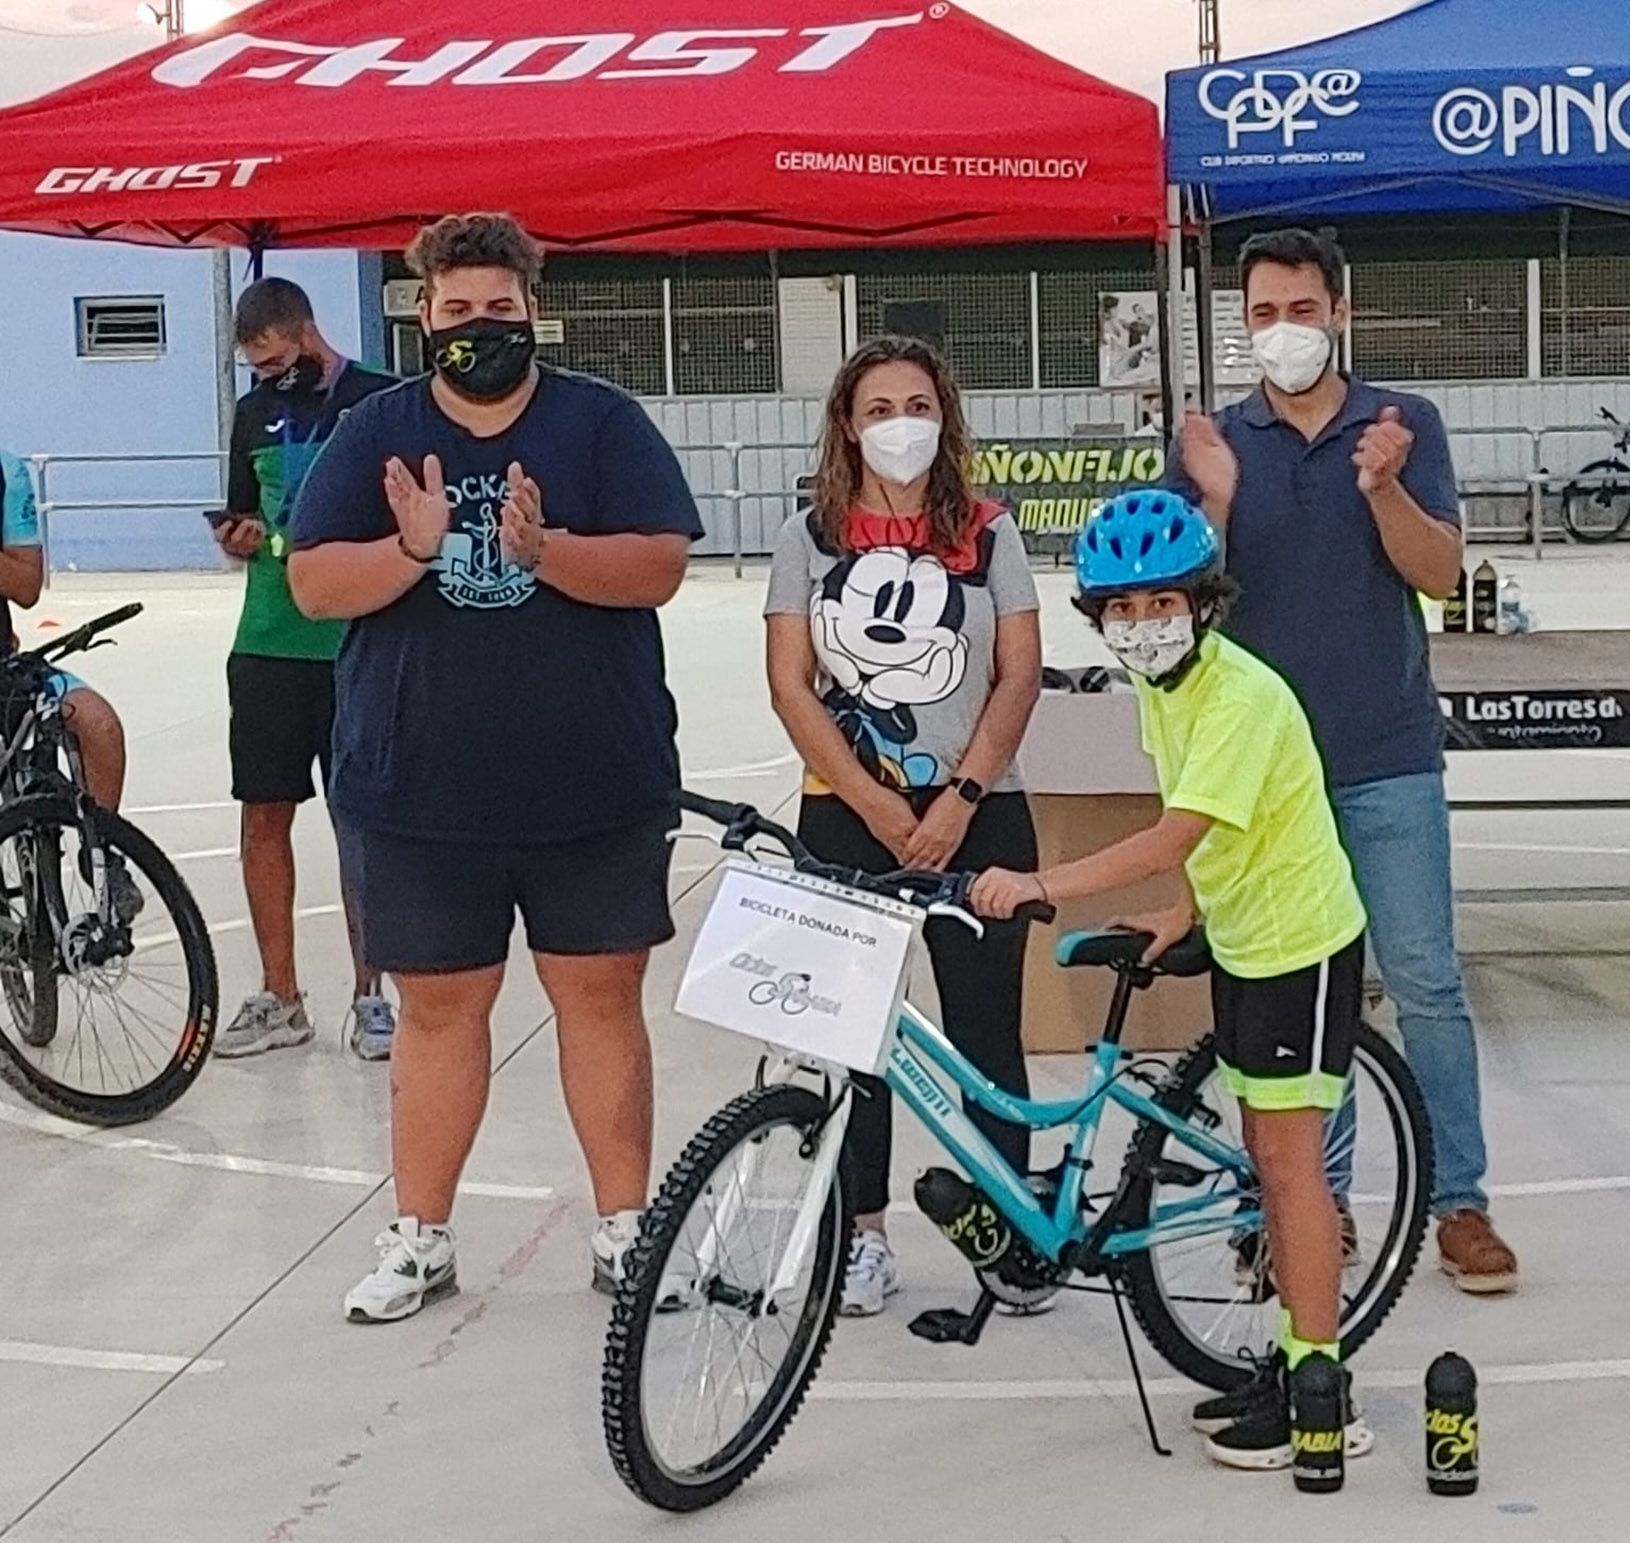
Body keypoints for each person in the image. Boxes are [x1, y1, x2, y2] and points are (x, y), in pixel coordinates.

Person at [287, 213, 701, 1325]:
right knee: (437, 1013)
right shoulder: (375, 431)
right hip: (418, 792)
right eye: (457, 311)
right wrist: (415, 548)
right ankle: (420, 1236)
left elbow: (659, 563)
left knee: (601, 1001)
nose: (480, 328)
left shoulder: (600, 424)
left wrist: (545, 552)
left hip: (593, 786)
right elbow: (315, 583)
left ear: (532, 308)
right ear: (425, 317)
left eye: (499, 309)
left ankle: (626, 1232)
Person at [973, 489, 1369, 1493]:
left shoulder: (1237, 697)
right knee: (1259, 1155)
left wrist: (1040, 885)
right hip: (1239, 933)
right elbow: (1212, 825)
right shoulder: (1166, 693)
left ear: (1205, 603)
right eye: (1120, 609)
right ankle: (1284, 1353)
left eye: (1162, 604)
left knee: (1286, 1170)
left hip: (1297, 945)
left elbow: (1170, 833)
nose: (1141, 625)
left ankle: (1319, 1390)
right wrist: (1186, 911)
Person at [1169, 227, 1517, 1293]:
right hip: (1262, 782)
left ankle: (1457, 1200)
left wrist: (1381, 487)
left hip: (1384, 754)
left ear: (1340, 313)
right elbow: (1173, 608)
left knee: (1421, 981)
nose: (1282, 331)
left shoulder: (1403, 426)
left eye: (1301, 310)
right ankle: (1309, 1208)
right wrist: (1216, 499)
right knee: (1294, 997)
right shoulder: (1211, 441)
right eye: (1263, 314)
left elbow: (1438, 571)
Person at [765, 335, 1042, 1318]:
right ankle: (863, 1234)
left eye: (915, 404)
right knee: (855, 1038)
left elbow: (1018, 673)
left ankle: (1007, 1232)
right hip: (847, 816)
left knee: (984, 1035)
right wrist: (875, 801)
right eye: (877, 407)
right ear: (847, 423)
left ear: (946, 417)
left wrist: (958, 798)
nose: (898, 425)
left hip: (981, 814)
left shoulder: (990, 532)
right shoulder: (808, 537)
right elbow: (790, 686)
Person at [212, 278, 399, 1063]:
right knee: (264, 815)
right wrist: (240, 536)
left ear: (308, 336)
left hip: (356, 643)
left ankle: (371, 996)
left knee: (360, 825)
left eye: (279, 362)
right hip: (267, 643)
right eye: (255, 369)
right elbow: (240, 513)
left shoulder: (380, 402)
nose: (268, 379)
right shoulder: (253, 414)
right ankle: (279, 995)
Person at [0, 446, 141, 919]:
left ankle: (99, 853)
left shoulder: (7, 469)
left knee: (97, 722)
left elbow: (25, 585)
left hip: (6, 667)